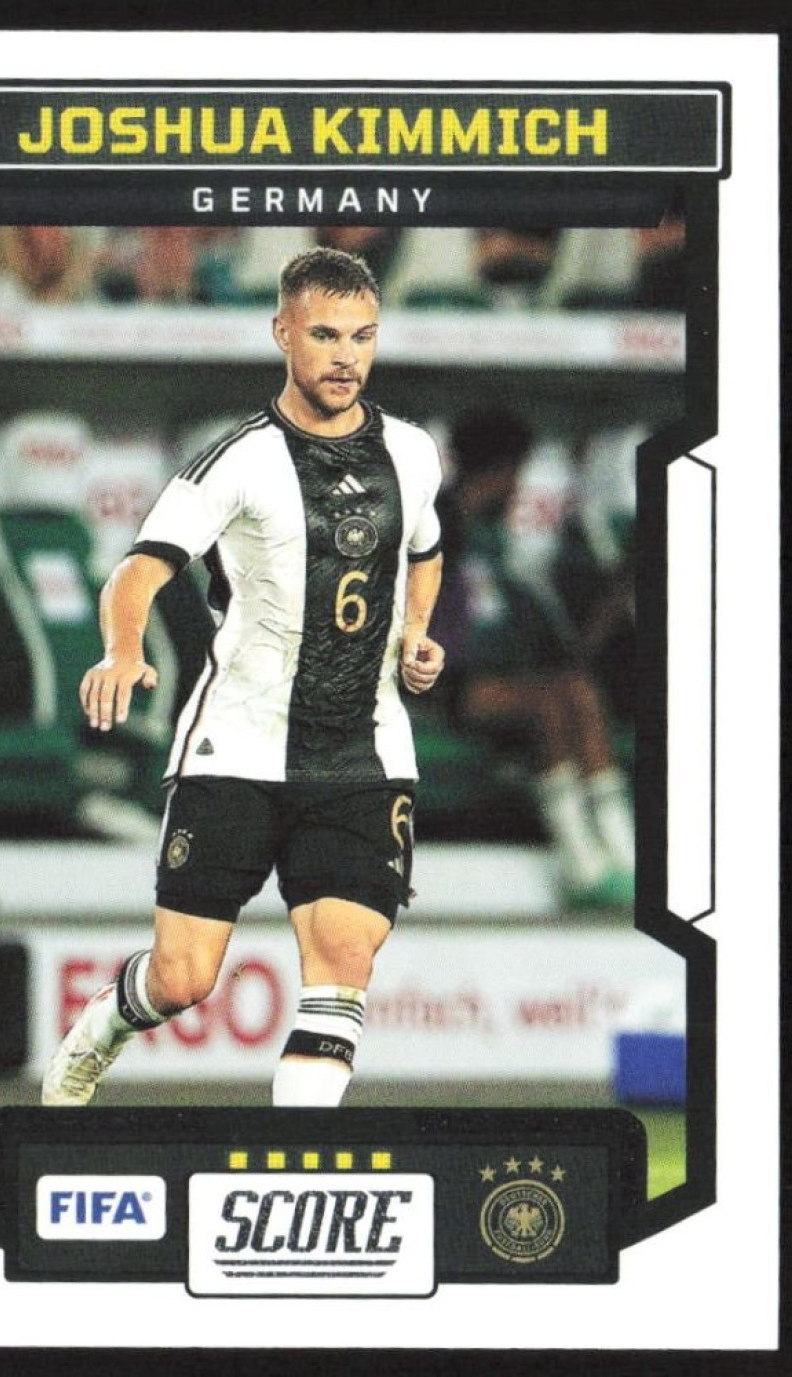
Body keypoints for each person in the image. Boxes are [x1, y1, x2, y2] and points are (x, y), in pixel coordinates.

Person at [42, 247, 446, 1107]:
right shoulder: (237, 460)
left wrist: (416, 630)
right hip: (238, 744)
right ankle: (105, 1023)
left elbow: (426, 549)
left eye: (363, 337)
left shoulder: (412, 453)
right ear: (282, 334)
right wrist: (123, 649)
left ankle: (291, 1161)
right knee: (184, 977)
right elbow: (138, 570)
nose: (346, 357)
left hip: (363, 753)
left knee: (342, 964)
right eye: (326, 335)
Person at [434, 406, 635, 909]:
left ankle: (622, 851)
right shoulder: (436, 525)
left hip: (502, 674)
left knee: (577, 691)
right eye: (517, 472)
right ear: (501, 470)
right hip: (448, 685)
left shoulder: (493, 532)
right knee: (547, 702)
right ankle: (581, 862)